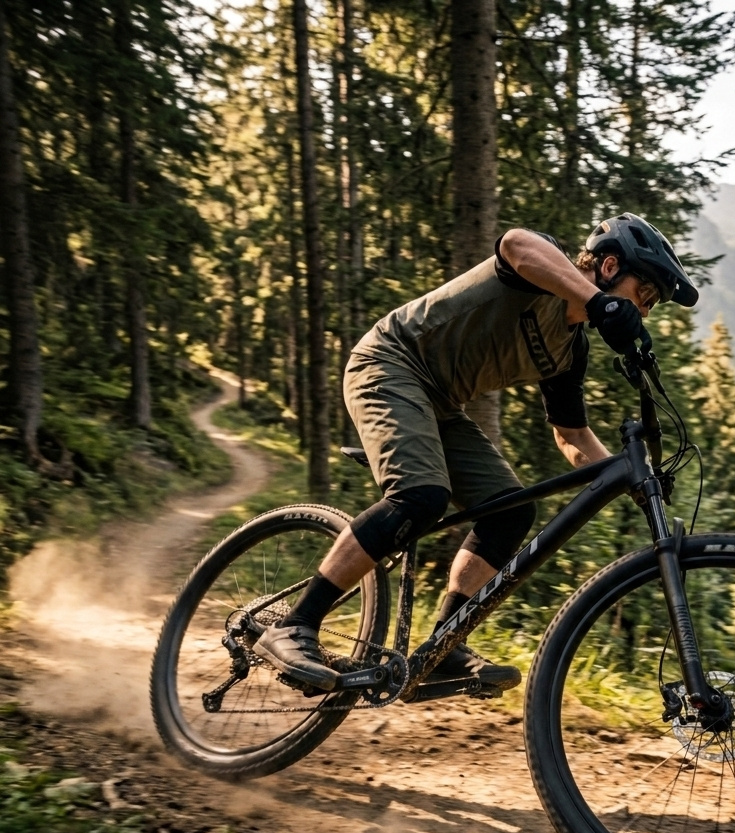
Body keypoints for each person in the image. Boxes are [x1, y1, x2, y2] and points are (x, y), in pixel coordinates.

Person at [254, 212, 698, 693]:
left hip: (441, 405)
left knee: (510, 513)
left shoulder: (569, 352)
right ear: (609, 266)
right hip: (389, 364)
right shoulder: (542, 268)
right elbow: (515, 244)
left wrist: (631, 478)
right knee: (421, 496)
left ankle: (446, 644)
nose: (644, 312)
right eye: (645, 295)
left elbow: (570, 435)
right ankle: (294, 625)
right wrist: (598, 301)